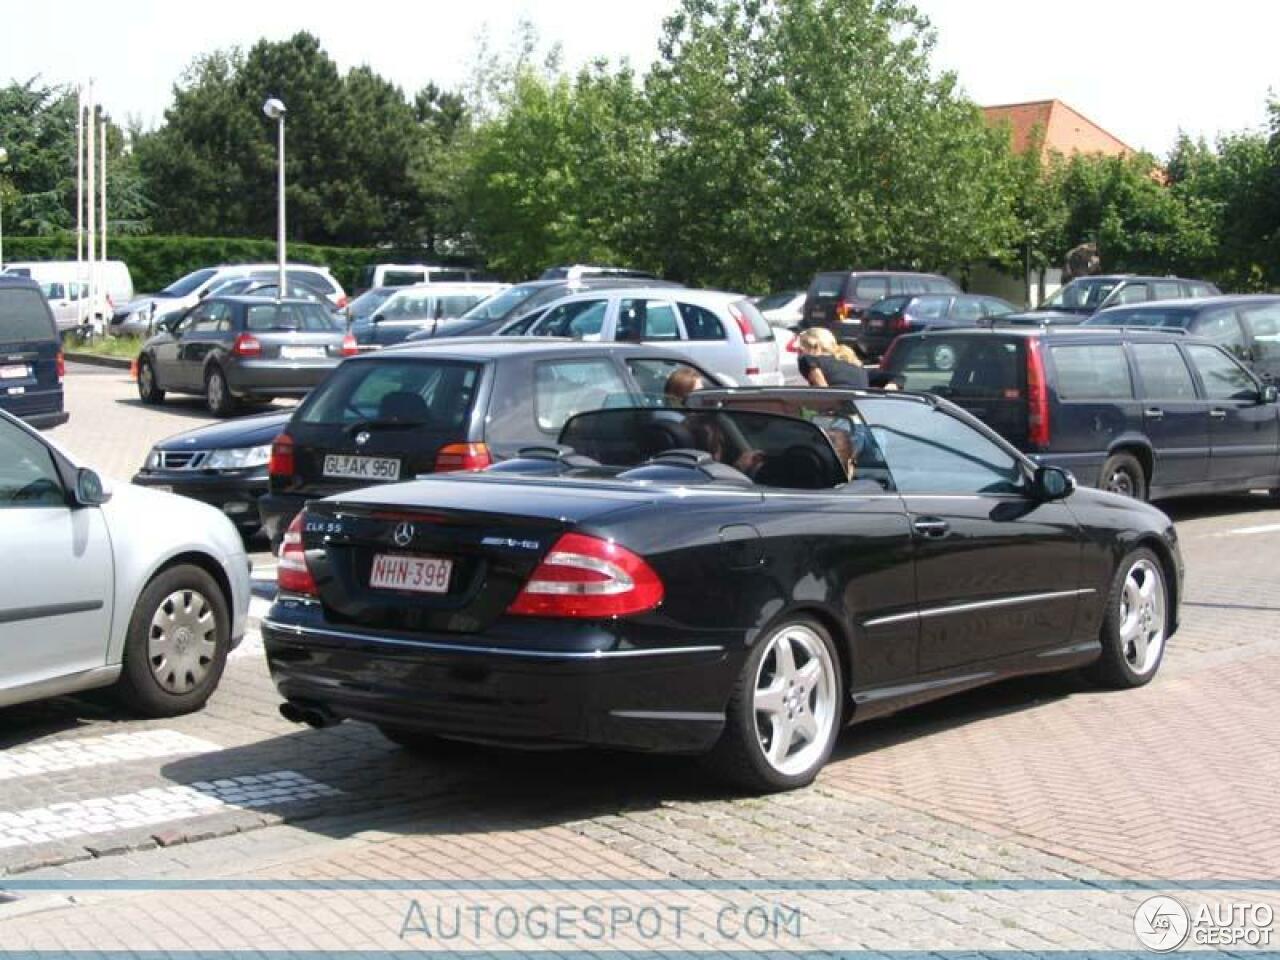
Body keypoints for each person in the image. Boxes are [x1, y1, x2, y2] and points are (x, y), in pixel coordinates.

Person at [796, 328, 868, 388]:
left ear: (815, 346)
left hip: (837, 401)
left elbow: (822, 391)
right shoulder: (853, 361)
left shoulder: (809, 360)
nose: (800, 351)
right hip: (860, 403)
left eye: (802, 347)